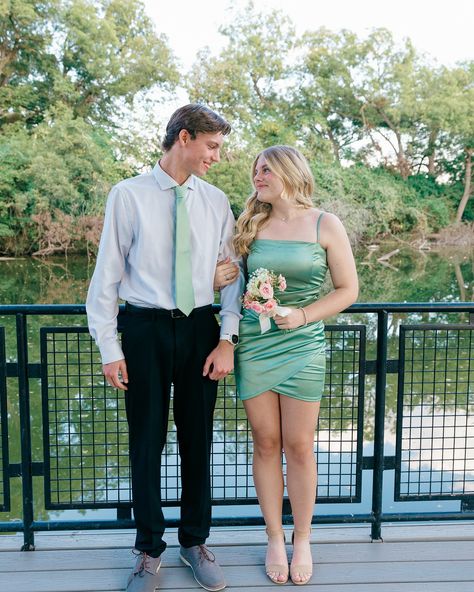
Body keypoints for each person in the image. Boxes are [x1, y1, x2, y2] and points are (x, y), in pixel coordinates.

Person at [86, 104, 244, 592]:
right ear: (185, 137)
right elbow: (107, 276)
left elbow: (232, 277)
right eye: (212, 146)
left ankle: (195, 541)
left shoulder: (217, 201)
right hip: (144, 331)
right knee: (146, 441)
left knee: (198, 440)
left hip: (200, 330)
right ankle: (148, 549)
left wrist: (227, 339)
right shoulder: (128, 195)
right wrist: (110, 348)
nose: (216, 157)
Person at [225, 145, 358, 586]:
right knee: (265, 442)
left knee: (299, 445)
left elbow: (347, 290)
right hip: (256, 345)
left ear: (288, 172)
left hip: (303, 343)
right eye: (255, 171)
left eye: (265, 170)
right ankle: (274, 537)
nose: (257, 177)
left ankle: (303, 539)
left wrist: (301, 315)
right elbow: (228, 280)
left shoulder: (325, 224)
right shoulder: (250, 223)